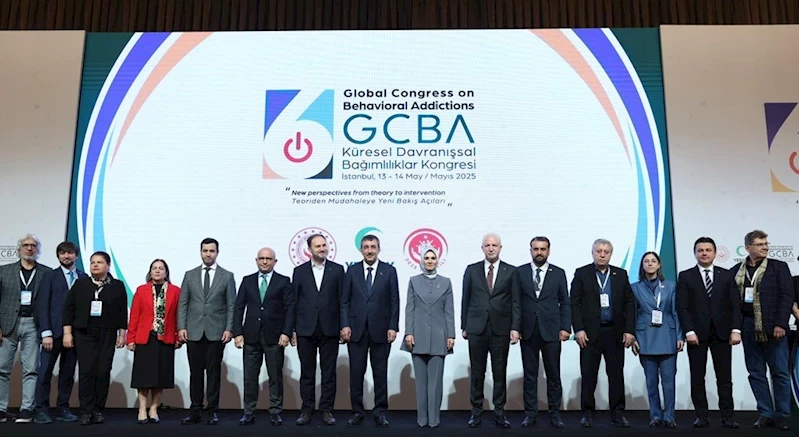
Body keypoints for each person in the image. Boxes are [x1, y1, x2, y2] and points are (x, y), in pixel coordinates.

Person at [675, 237, 741, 429]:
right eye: (700, 250)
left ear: (714, 253)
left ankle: (728, 417)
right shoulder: (685, 276)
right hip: (696, 335)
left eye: (708, 250)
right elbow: (682, 307)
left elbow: (734, 304)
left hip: (723, 334)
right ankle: (701, 416)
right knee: (697, 377)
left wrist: (735, 330)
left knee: (725, 378)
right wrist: (688, 331)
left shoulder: (726, 275)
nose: (704, 253)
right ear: (695, 253)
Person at [731, 230, 794, 431]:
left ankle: (782, 415)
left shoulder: (778, 267)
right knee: (756, 372)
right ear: (748, 247)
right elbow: (732, 303)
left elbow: (787, 296)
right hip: (748, 326)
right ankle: (765, 413)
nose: (765, 247)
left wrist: (781, 324)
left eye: (766, 243)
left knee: (780, 372)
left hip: (774, 327)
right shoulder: (736, 271)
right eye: (760, 244)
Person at [571, 238, 635, 428]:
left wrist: (629, 330)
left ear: (611, 254)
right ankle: (587, 413)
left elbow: (629, 303)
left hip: (615, 332)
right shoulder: (582, 273)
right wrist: (578, 329)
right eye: (598, 251)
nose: (602, 255)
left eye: (606, 252)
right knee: (588, 374)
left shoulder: (620, 274)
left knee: (616, 375)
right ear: (592, 253)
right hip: (590, 334)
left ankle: (618, 413)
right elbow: (574, 303)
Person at [461, 233, 521, 428]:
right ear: (482, 248)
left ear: (500, 248)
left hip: (501, 329)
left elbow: (516, 302)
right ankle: (476, 412)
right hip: (476, 328)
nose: (491, 248)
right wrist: (464, 326)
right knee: (477, 373)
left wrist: (515, 327)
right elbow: (465, 298)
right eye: (487, 245)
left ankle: (499, 413)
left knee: (499, 373)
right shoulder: (471, 270)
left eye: (494, 245)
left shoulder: (511, 271)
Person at [340, 234, 399, 427]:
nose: (369, 250)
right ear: (361, 250)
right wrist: (345, 325)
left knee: (380, 374)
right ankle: (357, 412)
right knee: (356, 374)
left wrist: (393, 326)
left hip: (381, 331)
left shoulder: (389, 271)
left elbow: (394, 302)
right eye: (366, 247)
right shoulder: (352, 270)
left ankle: (380, 412)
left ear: (379, 249)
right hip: (356, 331)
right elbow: (344, 301)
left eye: (373, 247)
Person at [62, 251, 127, 425]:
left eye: (99, 262)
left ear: (108, 265)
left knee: (103, 371)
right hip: (84, 333)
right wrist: (67, 333)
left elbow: (122, 312)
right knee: (86, 371)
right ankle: (85, 411)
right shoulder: (81, 284)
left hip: (107, 333)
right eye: (92, 262)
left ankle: (98, 410)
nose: (95, 265)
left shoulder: (117, 285)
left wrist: (122, 334)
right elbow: (69, 309)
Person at [233, 247, 295, 426]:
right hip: (250, 336)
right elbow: (239, 308)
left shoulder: (283, 281)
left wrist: (286, 332)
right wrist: (237, 333)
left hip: (275, 337)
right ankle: (248, 412)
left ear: (275, 261)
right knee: (250, 377)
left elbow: (290, 308)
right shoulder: (247, 280)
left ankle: (275, 412)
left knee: (275, 376)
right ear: (256, 260)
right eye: (261, 258)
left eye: (268, 258)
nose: (265, 261)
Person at [177, 238, 236, 425]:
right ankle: (195, 410)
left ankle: (212, 411)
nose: (208, 254)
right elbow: (183, 303)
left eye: (212, 251)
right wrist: (181, 327)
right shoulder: (190, 275)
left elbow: (231, 305)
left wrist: (229, 328)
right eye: (205, 250)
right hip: (193, 331)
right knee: (195, 374)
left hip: (216, 332)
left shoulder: (227, 276)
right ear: (200, 252)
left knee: (213, 373)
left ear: (217, 252)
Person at [517, 236, 570, 428]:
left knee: (553, 375)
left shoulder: (559, 273)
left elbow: (565, 302)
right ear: (530, 250)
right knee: (530, 376)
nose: (539, 252)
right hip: (528, 330)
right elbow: (516, 302)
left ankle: (555, 414)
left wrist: (565, 327)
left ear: (548, 250)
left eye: (543, 249)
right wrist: (516, 327)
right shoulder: (520, 272)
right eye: (536, 249)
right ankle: (530, 414)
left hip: (552, 331)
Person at [292, 234, 344, 426]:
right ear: (309, 250)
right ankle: (306, 410)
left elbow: (343, 300)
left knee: (328, 373)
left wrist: (343, 326)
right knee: (307, 372)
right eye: (318, 246)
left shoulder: (338, 270)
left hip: (330, 328)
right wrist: (292, 329)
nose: (322, 248)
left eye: (324, 245)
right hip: (305, 329)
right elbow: (294, 302)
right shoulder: (299, 271)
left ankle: (327, 410)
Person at [400, 247, 455, 428]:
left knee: (435, 382)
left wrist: (451, 334)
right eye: (427, 258)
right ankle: (422, 418)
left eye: (433, 258)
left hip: (439, 337)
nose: (430, 261)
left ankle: (434, 419)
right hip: (418, 337)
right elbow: (409, 309)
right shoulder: (413, 281)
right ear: (422, 260)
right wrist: (409, 332)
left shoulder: (446, 282)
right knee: (421, 383)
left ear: (437, 260)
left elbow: (449, 311)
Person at [0, 234, 51, 423]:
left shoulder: (47, 273)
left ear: (38, 250)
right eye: (25, 245)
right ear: (19, 248)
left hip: (33, 325)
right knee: (2, 369)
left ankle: (27, 409)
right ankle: (1, 408)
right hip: (7, 325)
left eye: (33, 245)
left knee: (31, 369)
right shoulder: (3, 271)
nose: (29, 248)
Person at [34, 241, 85, 424]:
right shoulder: (50, 276)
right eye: (62, 253)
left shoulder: (83, 277)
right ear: (58, 256)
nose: (66, 256)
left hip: (75, 334)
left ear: (76, 255)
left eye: (70, 253)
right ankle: (41, 410)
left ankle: (63, 408)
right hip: (52, 333)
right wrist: (45, 332)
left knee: (68, 373)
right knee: (45, 372)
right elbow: (42, 305)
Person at [631, 252, 683, 428]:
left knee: (669, 382)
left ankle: (669, 416)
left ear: (659, 264)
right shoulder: (634, 288)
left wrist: (679, 336)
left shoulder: (671, 286)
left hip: (668, 336)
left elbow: (676, 312)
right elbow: (632, 314)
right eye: (646, 261)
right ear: (642, 265)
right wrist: (633, 337)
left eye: (653, 261)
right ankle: (655, 416)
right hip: (645, 337)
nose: (650, 264)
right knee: (651, 382)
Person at [126, 259, 182, 424]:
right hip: (145, 339)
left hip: (165, 339)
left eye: (161, 268)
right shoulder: (141, 290)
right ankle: (142, 409)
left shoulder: (175, 291)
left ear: (166, 272)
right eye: (154, 268)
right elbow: (134, 316)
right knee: (144, 377)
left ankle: (154, 409)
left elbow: (178, 316)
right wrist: (130, 338)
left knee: (160, 377)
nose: (157, 271)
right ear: (150, 272)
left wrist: (178, 337)